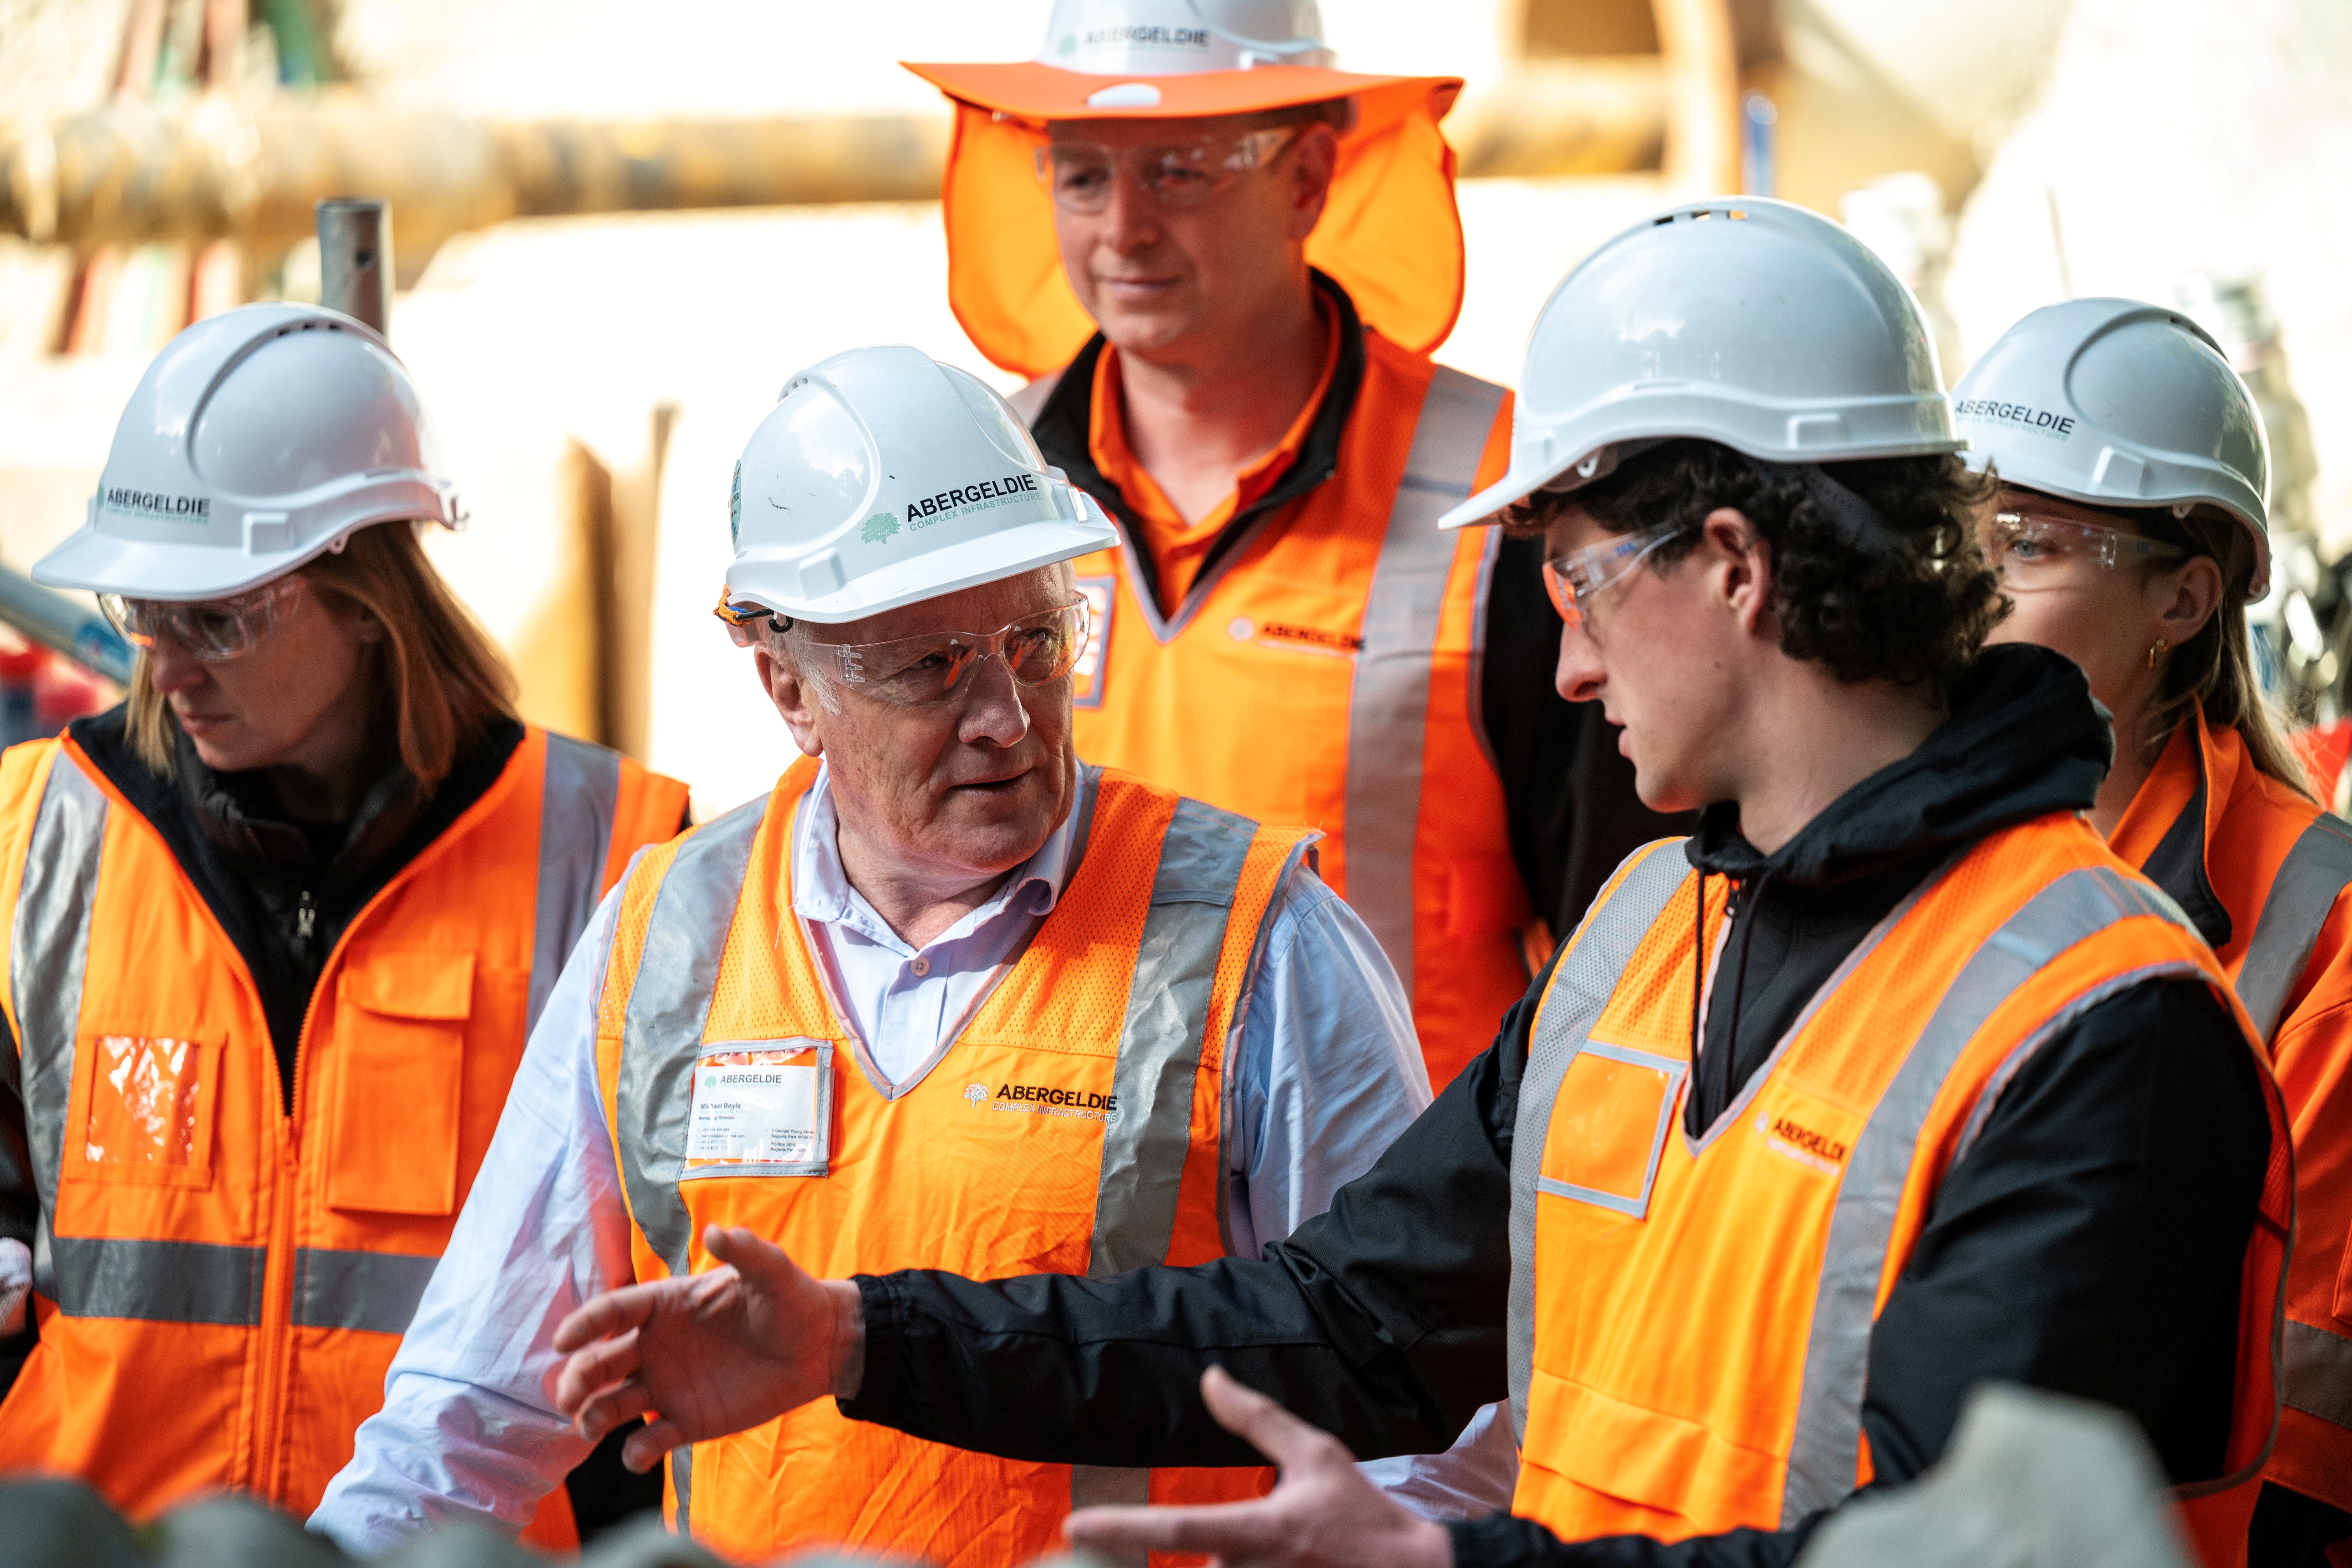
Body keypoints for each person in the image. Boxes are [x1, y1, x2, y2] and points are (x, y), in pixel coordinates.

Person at [545, 201, 2296, 1568]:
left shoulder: (2101, 1033)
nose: (1569, 674)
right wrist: (861, 1336)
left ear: (1739, 569)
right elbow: (1337, 1317)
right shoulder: (1648, 937)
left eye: (1581, 588)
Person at [309, 344, 1433, 1564]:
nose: (1006, 715)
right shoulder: (670, 937)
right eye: (931, 667)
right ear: (787, 685)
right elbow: (472, 1411)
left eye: (1038, 644)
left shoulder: (1255, 939)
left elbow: (1417, 1410)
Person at [901, 0, 1684, 1094]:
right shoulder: (968, 494)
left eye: (1179, 169)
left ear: (1309, 179)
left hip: (1393, 1232)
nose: (1122, 228)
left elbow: (1644, 942)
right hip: (1041, 1227)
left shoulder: (1515, 499)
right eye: (1083, 174)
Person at [0, 303, 689, 1542]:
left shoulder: (616, 852)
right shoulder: (31, 831)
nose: (166, 665)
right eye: (146, 610)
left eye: (220, 617)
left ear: (368, 601)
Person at [1955, 299, 2352, 1568]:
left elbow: (2296, 1440)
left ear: (2183, 599)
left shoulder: (2316, 931)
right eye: (1952, 532)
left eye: (2022, 544)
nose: (1966, 590)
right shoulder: (1888, 851)